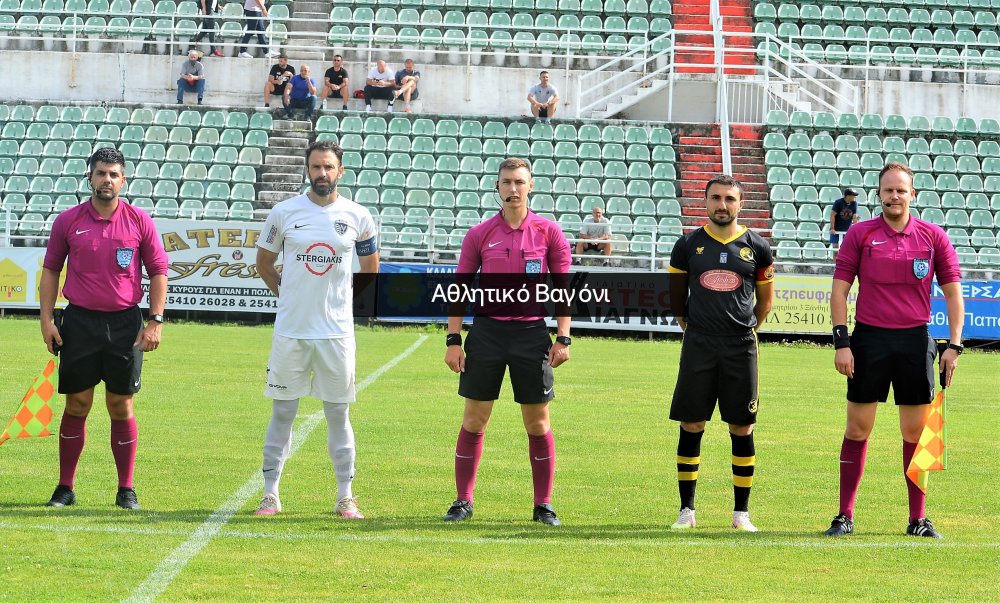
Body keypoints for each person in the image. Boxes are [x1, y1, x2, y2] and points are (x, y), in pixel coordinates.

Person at [824, 162, 964, 539]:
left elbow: (953, 293)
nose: (894, 196)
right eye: (888, 190)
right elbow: (839, 289)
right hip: (868, 339)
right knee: (857, 428)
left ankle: (918, 518)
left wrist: (955, 344)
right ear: (879, 194)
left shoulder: (933, 237)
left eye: (901, 190)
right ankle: (844, 515)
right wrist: (842, 342)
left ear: (912, 194)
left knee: (916, 432)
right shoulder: (861, 234)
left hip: (915, 340)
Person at [442, 157, 572, 526]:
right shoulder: (479, 234)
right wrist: (454, 340)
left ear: (531, 186)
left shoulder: (549, 232)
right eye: (506, 182)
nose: (513, 189)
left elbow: (564, 289)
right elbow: (460, 290)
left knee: (538, 423)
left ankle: (543, 505)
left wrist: (563, 337)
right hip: (487, 334)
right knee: (474, 419)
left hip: (532, 334)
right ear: (497, 187)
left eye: (519, 182)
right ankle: (462, 501)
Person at [38, 147, 169, 510]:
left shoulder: (139, 220)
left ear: (123, 179)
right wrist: (47, 319)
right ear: (89, 177)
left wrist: (155, 320)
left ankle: (126, 489)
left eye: (113, 174)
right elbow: (51, 270)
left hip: (125, 323)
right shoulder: (68, 221)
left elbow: (159, 270)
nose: (106, 180)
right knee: (77, 404)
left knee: (120, 404)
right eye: (100, 173)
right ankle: (65, 487)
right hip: (78, 321)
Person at [254, 140, 379, 519]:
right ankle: (270, 495)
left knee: (338, 414)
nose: (322, 174)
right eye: (315, 167)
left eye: (328, 167)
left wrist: (342, 303)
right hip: (291, 331)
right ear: (306, 170)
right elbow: (264, 263)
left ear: (340, 171)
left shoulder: (358, 215)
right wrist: (288, 294)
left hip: (337, 334)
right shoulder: (284, 212)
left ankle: (345, 496)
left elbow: (370, 270)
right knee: (282, 413)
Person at [666, 174, 774, 532]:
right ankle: (686, 510)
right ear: (706, 201)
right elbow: (677, 300)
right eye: (716, 198)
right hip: (699, 344)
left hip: (740, 346)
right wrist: (698, 329)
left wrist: (741, 329)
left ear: (740, 204)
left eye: (730, 198)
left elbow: (765, 302)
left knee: (742, 426)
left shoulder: (758, 247)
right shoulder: (688, 245)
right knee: (692, 423)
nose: (722, 205)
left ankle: (741, 514)